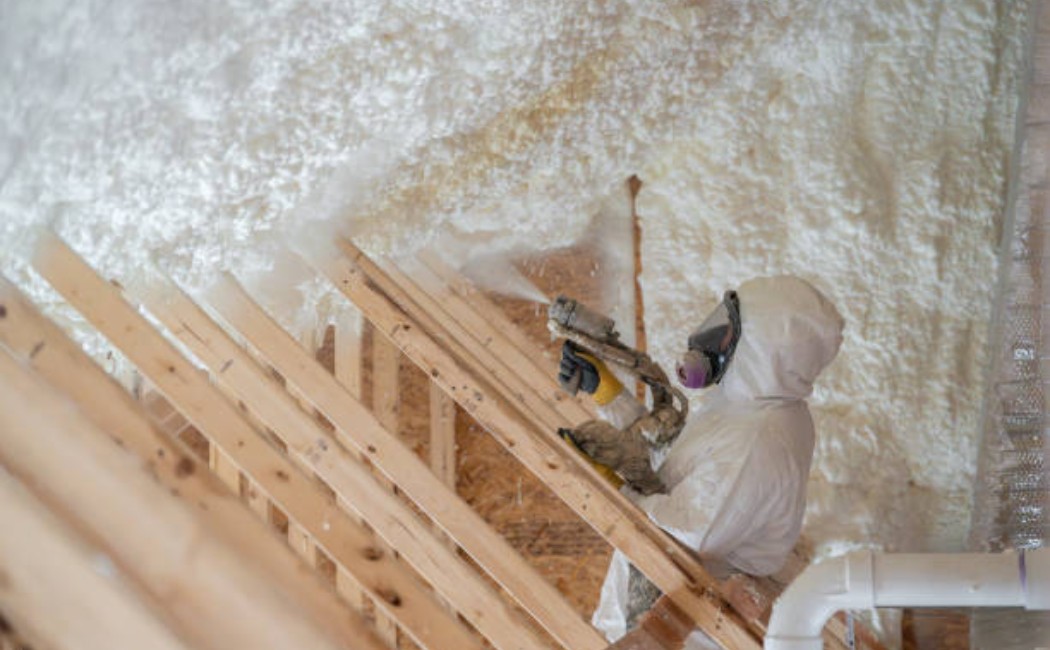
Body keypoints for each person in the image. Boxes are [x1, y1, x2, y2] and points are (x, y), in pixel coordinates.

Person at [558, 275, 844, 643]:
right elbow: (674, 471)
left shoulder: (759, 441)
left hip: (678, 633)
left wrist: (611, 486)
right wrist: (609, 395)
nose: (713, 339)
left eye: (727, 331)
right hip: (647, 623)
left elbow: (685, 535)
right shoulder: (749, 407)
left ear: (761, 347)